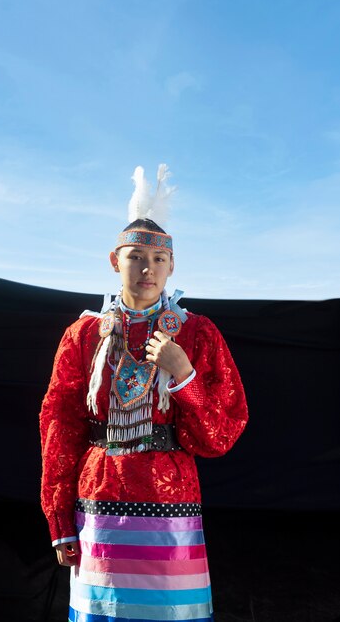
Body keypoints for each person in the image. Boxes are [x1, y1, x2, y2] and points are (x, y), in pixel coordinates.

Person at [40, 166, 248, 622]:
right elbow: (59, 423)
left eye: (157, 260)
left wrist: (185, 376)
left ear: (172, 265)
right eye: (135, 257)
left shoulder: (197, 334)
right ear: (116, 261)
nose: (146, 269)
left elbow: (223, 432)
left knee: (170, 614)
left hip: (170, 501)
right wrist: (58, 518)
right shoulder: (83, 335)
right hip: (99, 496)